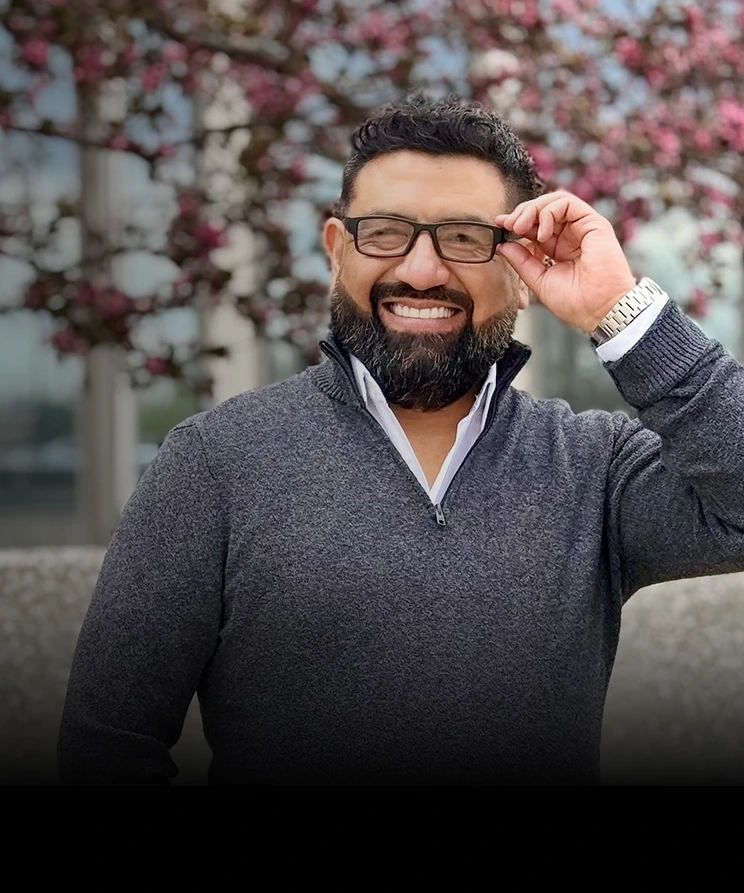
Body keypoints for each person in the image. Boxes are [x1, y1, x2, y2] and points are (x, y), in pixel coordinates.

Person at [57, 93, 744, 786]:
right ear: (336, 251)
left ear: (523, 269)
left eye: (467, 238)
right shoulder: (214, 463)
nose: (421, 270)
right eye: (384, 231)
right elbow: (107, 745)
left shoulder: (597, 470)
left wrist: (618, 310)